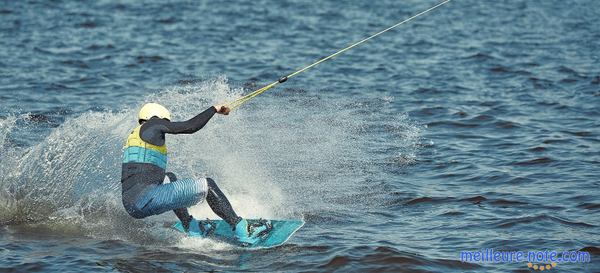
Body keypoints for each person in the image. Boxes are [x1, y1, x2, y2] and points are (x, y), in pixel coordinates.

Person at [120, 102, 268, 244]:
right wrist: (214, 109)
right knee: (207, 186)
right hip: (147, 199)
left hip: (132, 206)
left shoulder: (135, 136)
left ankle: (191, 227)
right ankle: (243, 230)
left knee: (170, 178)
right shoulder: (153, 124)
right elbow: (191, 127)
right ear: (160, 118)